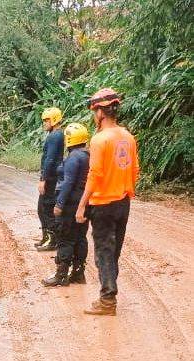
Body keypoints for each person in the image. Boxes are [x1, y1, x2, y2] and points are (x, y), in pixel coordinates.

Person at [76, 88, 139, 316]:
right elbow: (134, 170)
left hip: (102, 204)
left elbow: (95, 174)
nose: (94, 115)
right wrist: (125, 189)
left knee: (104, 250)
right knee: (114, 251)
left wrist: (83, 204)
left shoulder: (100, 139)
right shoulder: (128, 137)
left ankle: (107, 300)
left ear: (101, 112)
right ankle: (108, 294)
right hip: (123, 202)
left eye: (94, 111)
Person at [42, 123, 90, 287]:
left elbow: (67, 183)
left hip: (70, 202)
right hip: (84, 202)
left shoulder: (73, 157)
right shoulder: (87, 155)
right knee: (80, 237)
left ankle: (61, 275)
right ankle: (78, 273)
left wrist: (59, 204)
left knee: (65, 238)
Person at [35, 107, 65, 251]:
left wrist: (43, 179)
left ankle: (53, 240)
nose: (44, 123)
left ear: (53, 120)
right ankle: (47, 237)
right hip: (53, 176)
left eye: (46, 120)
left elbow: (50, 159)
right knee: (42, 208)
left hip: (51, 177)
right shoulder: (56, 134)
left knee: (46, 208)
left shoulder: (55, 136)